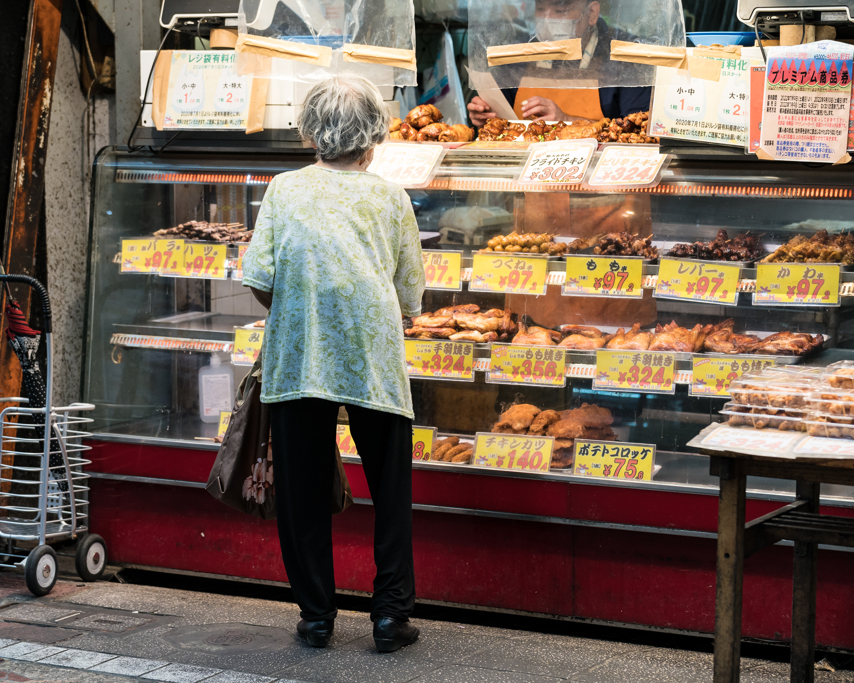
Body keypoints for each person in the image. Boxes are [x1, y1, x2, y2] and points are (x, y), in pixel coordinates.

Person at [241, 76, 426, 653]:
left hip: (301, 357)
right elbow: (410, 299)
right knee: (390, 490)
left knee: (303, 491)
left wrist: (302, 307)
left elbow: (260, 280)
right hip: (373, 357)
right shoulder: (391, 198)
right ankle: (390, 617)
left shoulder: (284, 191)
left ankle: (317, 616)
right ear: (373, 138)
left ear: (309, 133)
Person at [467, 0, 652, 126]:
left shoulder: (627, 56)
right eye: (540, 9)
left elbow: (637, 133)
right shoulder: (518, 52)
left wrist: (567, 120)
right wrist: (484, 115)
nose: (547, 19)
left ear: (591, 13)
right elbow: (499, 118)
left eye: (560, 10)